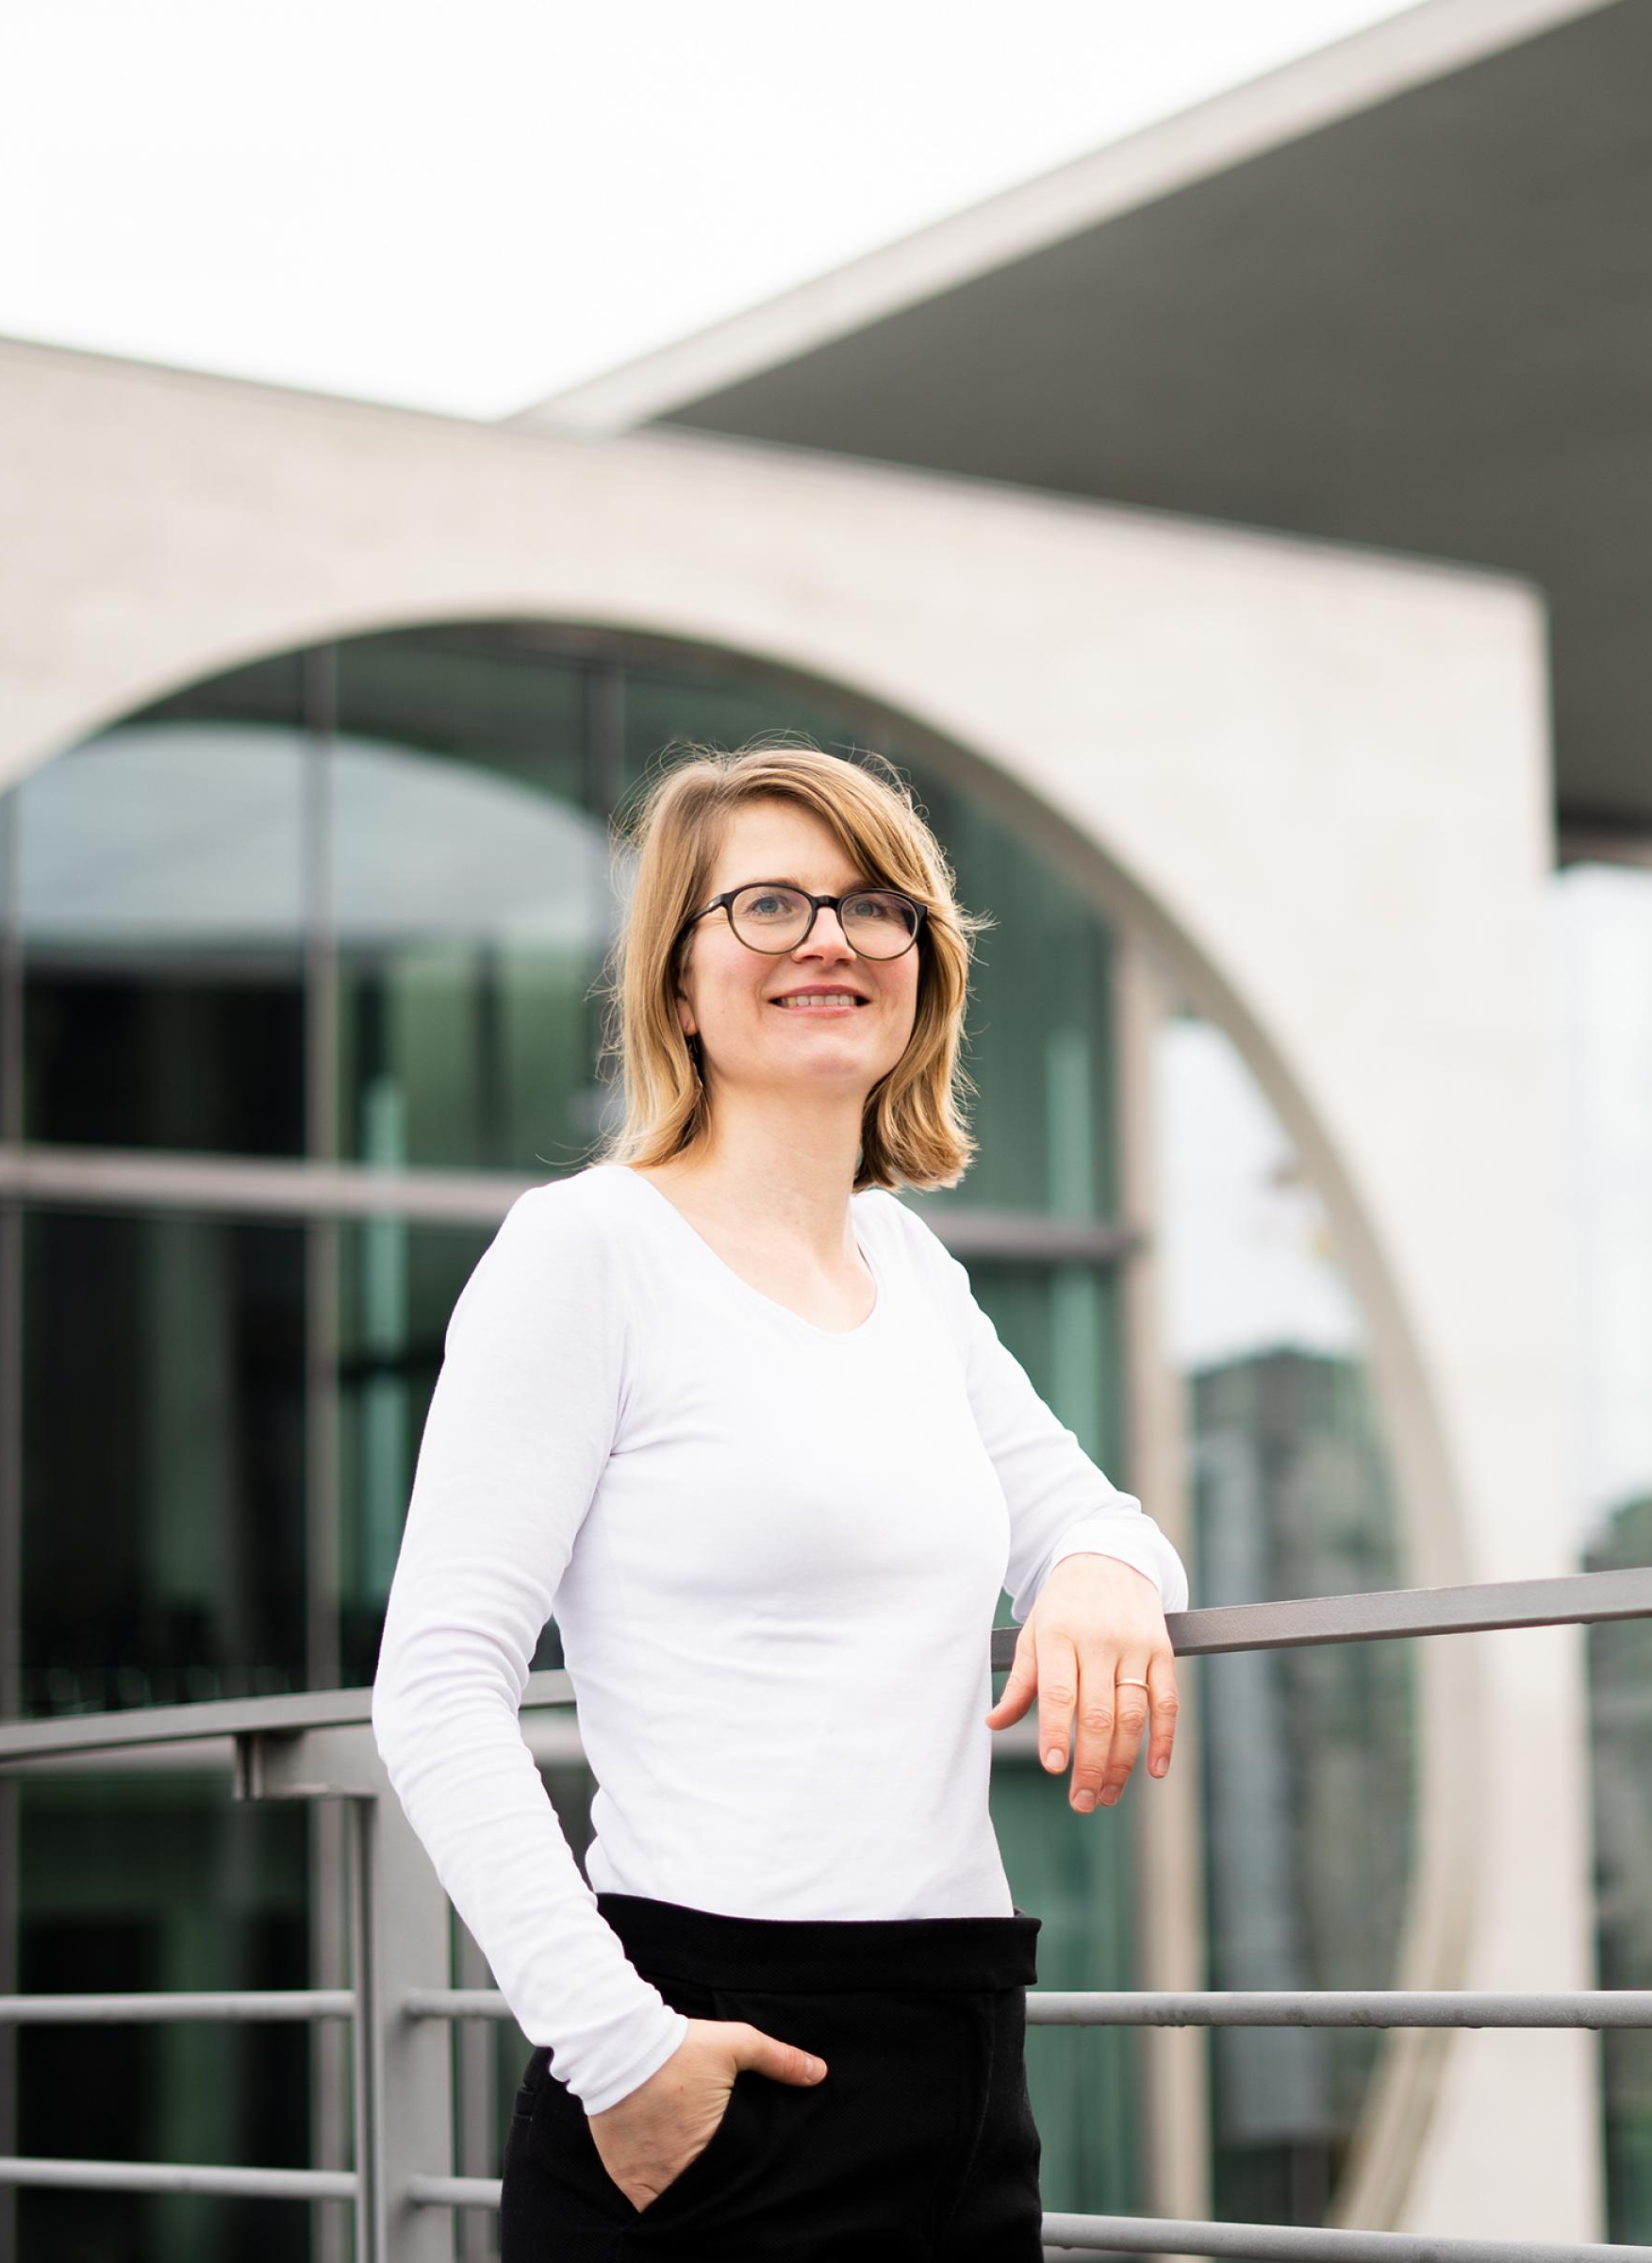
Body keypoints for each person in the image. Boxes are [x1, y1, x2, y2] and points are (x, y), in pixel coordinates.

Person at [370, 738, 1189, 2259]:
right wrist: (618, 2052)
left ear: (923, 969)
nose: (829, 939)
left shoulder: (912, 1271)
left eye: (875, 906)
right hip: (700, 2063)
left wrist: (1098, 1572)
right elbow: (433, 1683)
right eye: (767, 907)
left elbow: (1093, 1515)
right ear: (679, 982)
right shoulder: (585, 1253)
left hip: (958, 2058)